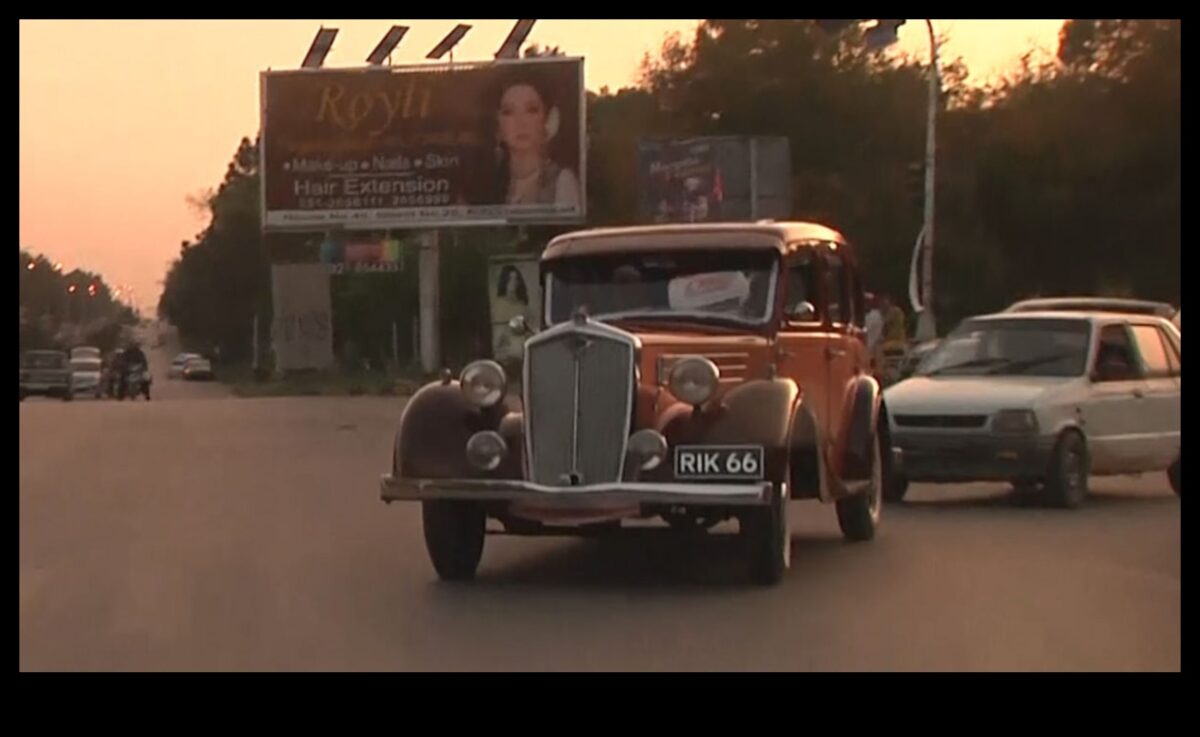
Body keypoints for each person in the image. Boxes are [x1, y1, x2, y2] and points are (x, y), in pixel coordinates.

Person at [488, 72, 582, 208]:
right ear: (498, 124)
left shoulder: (561, 181)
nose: (521, 122)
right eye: (508, 112)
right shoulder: (489, 185)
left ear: (548, 119)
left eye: (531, 110)